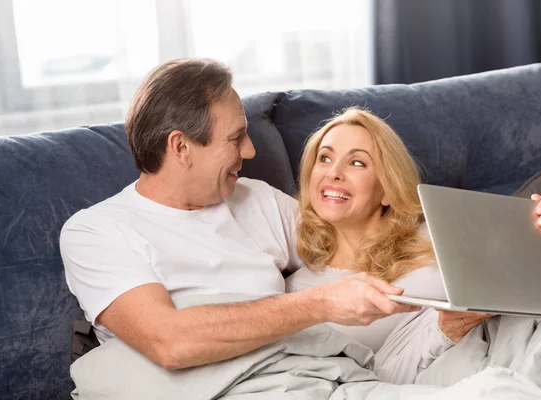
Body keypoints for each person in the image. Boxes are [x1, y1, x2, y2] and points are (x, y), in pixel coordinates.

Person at [59, 58, 420, 371]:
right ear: (181, 147)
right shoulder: (96, 232)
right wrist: (319, 304)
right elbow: (170, 343)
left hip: (299, 376)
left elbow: (355, 240)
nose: (249, 151)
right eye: (236, 138)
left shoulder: (255, 199)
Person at [285, 107, 541, 384]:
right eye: (323, 158)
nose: (333, 172)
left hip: (527, 343)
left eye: (356, 162)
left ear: (386, 190)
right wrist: (441, 332)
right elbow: (356, 387)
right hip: (460, 382)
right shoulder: (302, 296)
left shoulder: (439, 233)